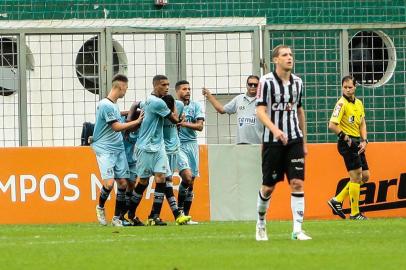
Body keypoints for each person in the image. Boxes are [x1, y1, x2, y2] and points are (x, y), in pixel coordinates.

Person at [255, 45, 311, 241]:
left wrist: (303, 141)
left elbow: (300, 110)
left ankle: (297, 230)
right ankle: (261, 223)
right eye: (285, 55)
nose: (289, 58)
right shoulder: (266, 82)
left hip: (294, 139)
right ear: (275, 60)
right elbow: (260, 110)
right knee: (268, 187)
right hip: (272, 141)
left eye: (291, 55)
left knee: (297, 183)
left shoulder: (298, 83)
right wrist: (275, 129)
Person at [135, 75, 190, 226]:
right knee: (145, 182)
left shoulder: (161, 101)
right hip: (147, 146)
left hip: (163, 147)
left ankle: (157, 216)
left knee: (164, 178)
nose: (167, 87)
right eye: (164, 85)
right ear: (156, 86)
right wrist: (132, 123)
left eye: (168, 84)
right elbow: (174, 120)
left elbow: (135, 105)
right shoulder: (156, 102)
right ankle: (129, 214)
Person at [92, 74, 143, 226]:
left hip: (118, 148)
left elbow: (116, 117)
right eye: (125, 88)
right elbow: (115, 127)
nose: (125, 92)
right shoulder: (105, 104)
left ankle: (116, 218)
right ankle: (100, 207)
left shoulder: (113, 105)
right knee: (109, 184)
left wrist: (128, 112)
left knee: (122, 184)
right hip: (105, 149)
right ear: (120, 87)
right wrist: (136, 121)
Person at [327, 75, 369, 220]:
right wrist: (345, 138)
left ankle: (337, 200)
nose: (347, 90)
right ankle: (354, 213)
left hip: (358, 142)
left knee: (365, 176)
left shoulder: (358, 103)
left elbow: (362, 123)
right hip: (348, 143)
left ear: (355, 87)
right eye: (345, 87)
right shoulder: (341, 104)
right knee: (356, 176)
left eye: (350, 87)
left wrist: (364, 140)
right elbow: (332, 124)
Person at [202, 75, 263, 144]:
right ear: (246, 85)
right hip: (240, 144)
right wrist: (209, 96)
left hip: (257, 145)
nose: (253, 86)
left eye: (255, 85)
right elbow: (221, 110)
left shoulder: (263, 101)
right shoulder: (239, 99)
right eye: (250, 84)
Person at [176, 80, 204, 224]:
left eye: (189, 89)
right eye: (184, 89)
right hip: (178, 145)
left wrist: (183, 123)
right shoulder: (173, 106)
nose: (187, 91)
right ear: (177, 92)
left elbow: (200, 127)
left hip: (192, 145)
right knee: (186, 177)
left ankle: (186, 215)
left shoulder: (196, 105)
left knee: (191, 181)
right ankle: (179, 212)